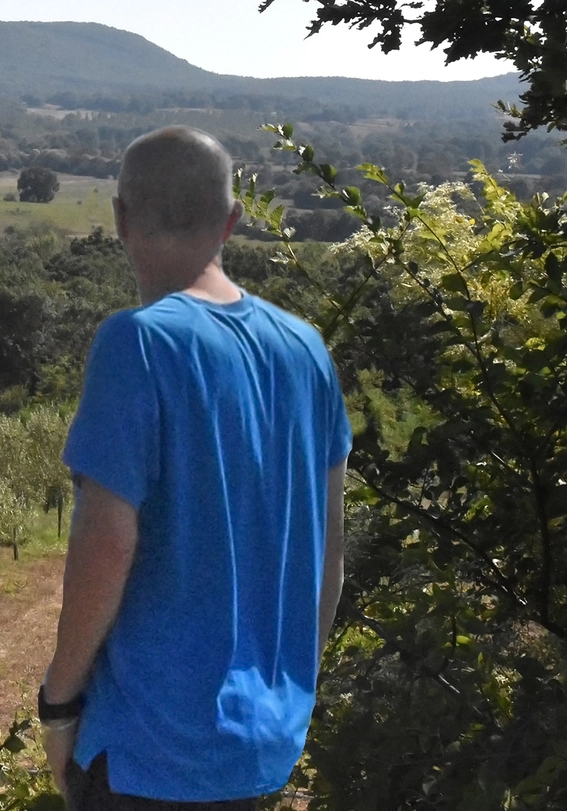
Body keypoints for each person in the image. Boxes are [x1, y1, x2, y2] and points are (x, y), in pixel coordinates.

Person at [39, 125, 351, 810]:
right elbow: (328, 553)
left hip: (153, 749)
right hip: (265, 745)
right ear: (232, 221)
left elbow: (107, 544)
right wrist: (291, 685)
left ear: (120, 217)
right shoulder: (307, 353)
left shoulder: (138, 343)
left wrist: (58, 703)